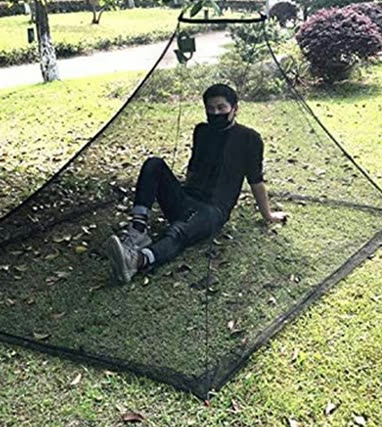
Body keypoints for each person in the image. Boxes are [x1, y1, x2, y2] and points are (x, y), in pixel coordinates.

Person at [106, 83, 288, 284]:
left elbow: (256, 181)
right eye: (210, 109)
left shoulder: (250, 139)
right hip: (187, 198)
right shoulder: (201, 131)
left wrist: (268, 215)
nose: (215, 113)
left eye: (221, 108)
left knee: (178, 231)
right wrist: (177, 195)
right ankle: (137, 232)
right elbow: (193, 167)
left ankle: (136, 261)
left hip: (213, 211)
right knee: (154, 164)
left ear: (235, 109)